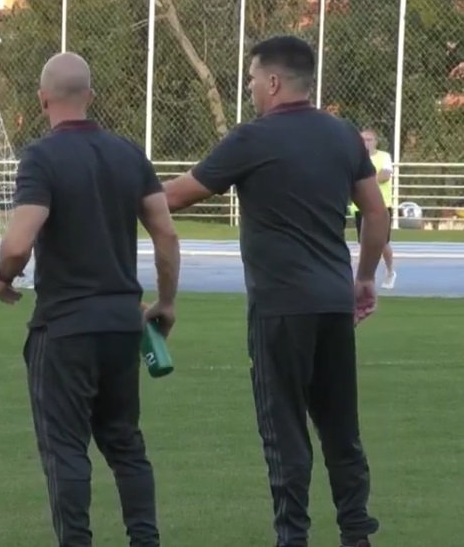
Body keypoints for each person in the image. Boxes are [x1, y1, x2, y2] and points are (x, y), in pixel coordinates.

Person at [160, 36, 386, 547]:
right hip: (333, 302)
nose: (252, 90)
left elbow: (175, 197)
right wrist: (365, 276)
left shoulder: (253, 139)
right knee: (340, 428)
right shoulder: (343, 135)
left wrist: (111, 190)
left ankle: (293, 536)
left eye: (253, 81)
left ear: (275, 82)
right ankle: (356, 534)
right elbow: (375, 211)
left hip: (280, 306)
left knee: (284, 430)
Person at [0, 52, 180, 547]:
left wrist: (4, 276)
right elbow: (165, 232)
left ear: (42, 99)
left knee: (66, 449)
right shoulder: (128, 153)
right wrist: (166, 301)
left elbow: (17, 243)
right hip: (123, 325)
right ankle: (145, 539)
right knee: (125, 444)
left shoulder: (41, 157)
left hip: (65, 327)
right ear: (90, 97)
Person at [353, 128, 396, 289]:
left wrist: (365, 181)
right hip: (360, 206)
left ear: (376, 141)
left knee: (382, 242)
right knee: (363, 243)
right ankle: (365, 275)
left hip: (381, 205)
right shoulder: (355, 157)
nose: (366, 143)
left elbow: (385, 175)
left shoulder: (383, 157)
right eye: (363, 139)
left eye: (369, 139)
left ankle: (390, 271)